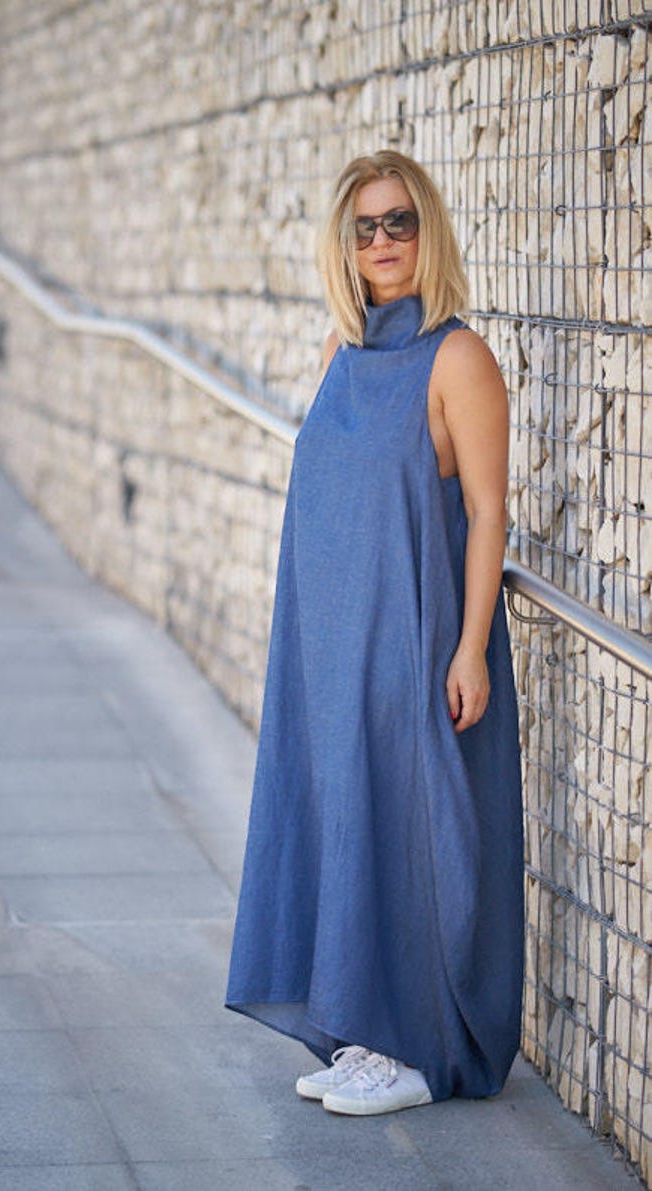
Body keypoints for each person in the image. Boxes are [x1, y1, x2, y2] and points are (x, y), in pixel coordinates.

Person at [224, 149, 525, 1116]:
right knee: (344, 824)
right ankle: (361, 1030)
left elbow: (486, 511)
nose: (385, 241)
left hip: (418, 633)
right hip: (330, 639)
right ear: (344, 246)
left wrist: (471, 643)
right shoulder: (339, 352)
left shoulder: (459, 357)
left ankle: (416, 1048)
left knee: (413, 828)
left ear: (426, 232)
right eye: (366, 226)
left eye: (400, 222)